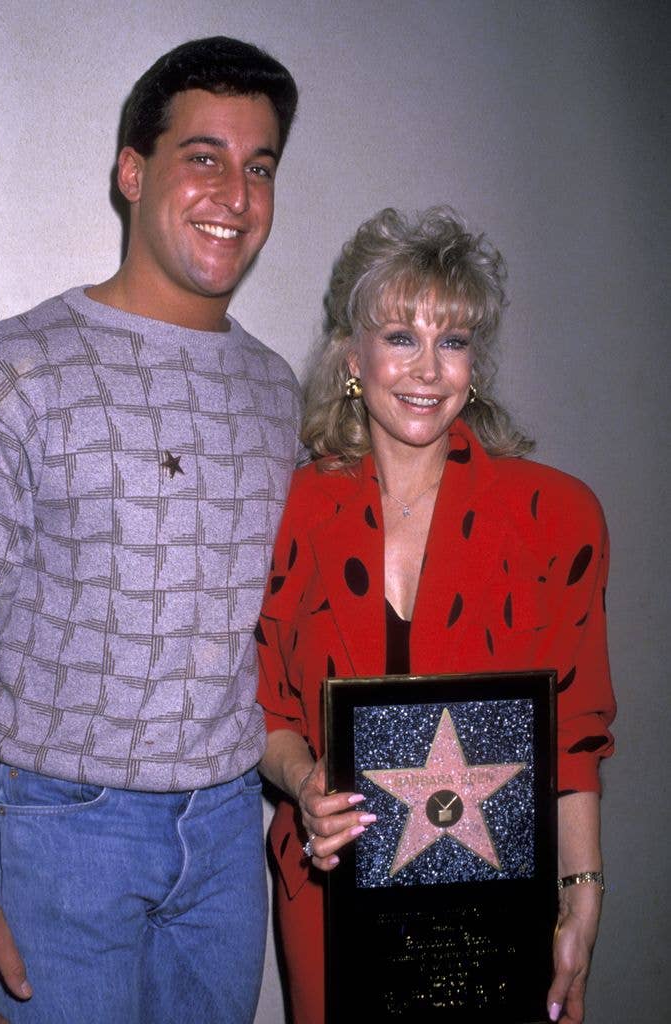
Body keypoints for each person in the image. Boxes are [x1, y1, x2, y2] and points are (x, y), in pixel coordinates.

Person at [0, 36, 301, 1024]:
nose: (234, 191)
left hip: (229, 836)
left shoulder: (281, 393)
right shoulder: (9, 369)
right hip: (59, 833)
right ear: (132, 171)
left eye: (259, 165)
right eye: (204, 156)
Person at [257, 207, 616, 1024]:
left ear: (475, 365)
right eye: (400, 336)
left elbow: (574, 735)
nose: (427, 368)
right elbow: (268, 707)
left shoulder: (556, 516)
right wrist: (301, 780)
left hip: (494, 910)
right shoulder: (293, 508)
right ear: (353, 356)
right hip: (331, 892)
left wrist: (582, 894)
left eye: (452, 341)